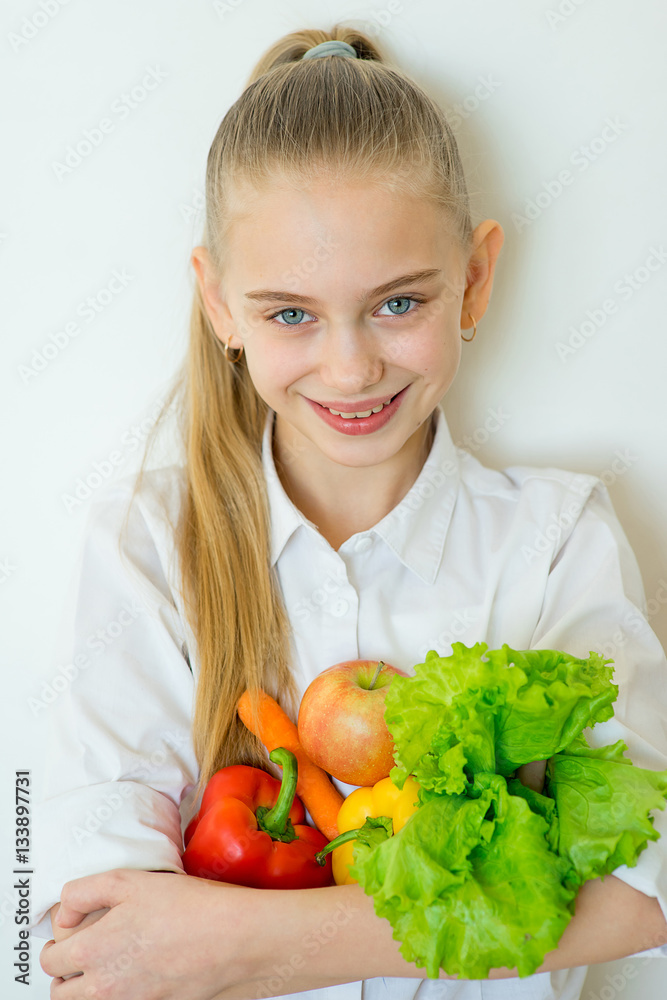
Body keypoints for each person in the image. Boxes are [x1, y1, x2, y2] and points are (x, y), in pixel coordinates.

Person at [32, 24, 667, 1000]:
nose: (350, 367)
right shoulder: (146, 544)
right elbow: (100, 938)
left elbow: (641, 888)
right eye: (290, 312)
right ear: (219, 304)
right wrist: (500, 905)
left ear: (476, 275)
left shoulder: (555, 540)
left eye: (397, 304)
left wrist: (236, 942)